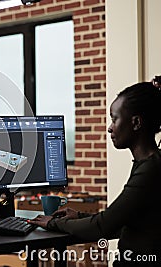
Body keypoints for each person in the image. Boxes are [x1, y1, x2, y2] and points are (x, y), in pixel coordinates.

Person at [30, 78, 161, 266]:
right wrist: (80, 217)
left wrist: (52, 223)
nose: (109, 128)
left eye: (115, 119)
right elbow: (123, 222)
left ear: (136, 123)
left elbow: (102, 227)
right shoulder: (148, 164)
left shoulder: (150, 170)